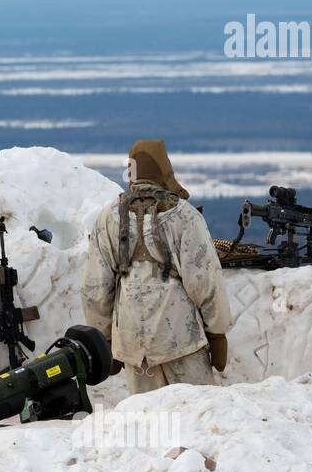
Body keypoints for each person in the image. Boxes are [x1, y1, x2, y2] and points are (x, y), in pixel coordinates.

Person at [82, 139, 231, 394]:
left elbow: (96, 287)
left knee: (151, 421)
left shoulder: (109, 217)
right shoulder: (184, 216)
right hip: (180, 342)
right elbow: (205, 281)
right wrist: (217, 333)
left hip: (132, 345)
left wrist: (104, 337)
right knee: (195, 415)